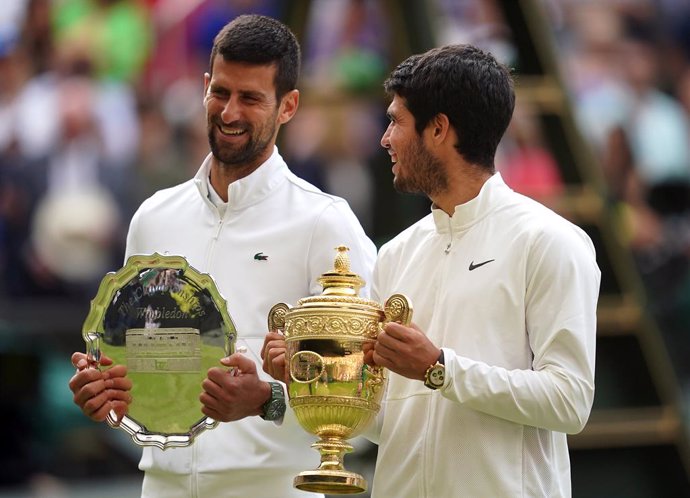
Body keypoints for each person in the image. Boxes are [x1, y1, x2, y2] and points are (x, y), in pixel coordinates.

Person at [263, 44, 601, 497]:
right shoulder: (397, 254)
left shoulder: (548, 241)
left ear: (438, 129)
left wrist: (439, 369)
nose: (385, 139)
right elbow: (394, 421)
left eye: (396, 121)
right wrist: (312, 378)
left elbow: (569, 401)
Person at [68, 14, 376, 498]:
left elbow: (368, 399)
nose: (230, 112)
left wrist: (267, 401)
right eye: (221, 93)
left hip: (279, 489)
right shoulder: (153, 216)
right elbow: (135, 366)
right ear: (205, 86)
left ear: (288, 106)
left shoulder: (326, 223)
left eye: (251, 98)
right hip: (162, 484)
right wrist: (105, 394)